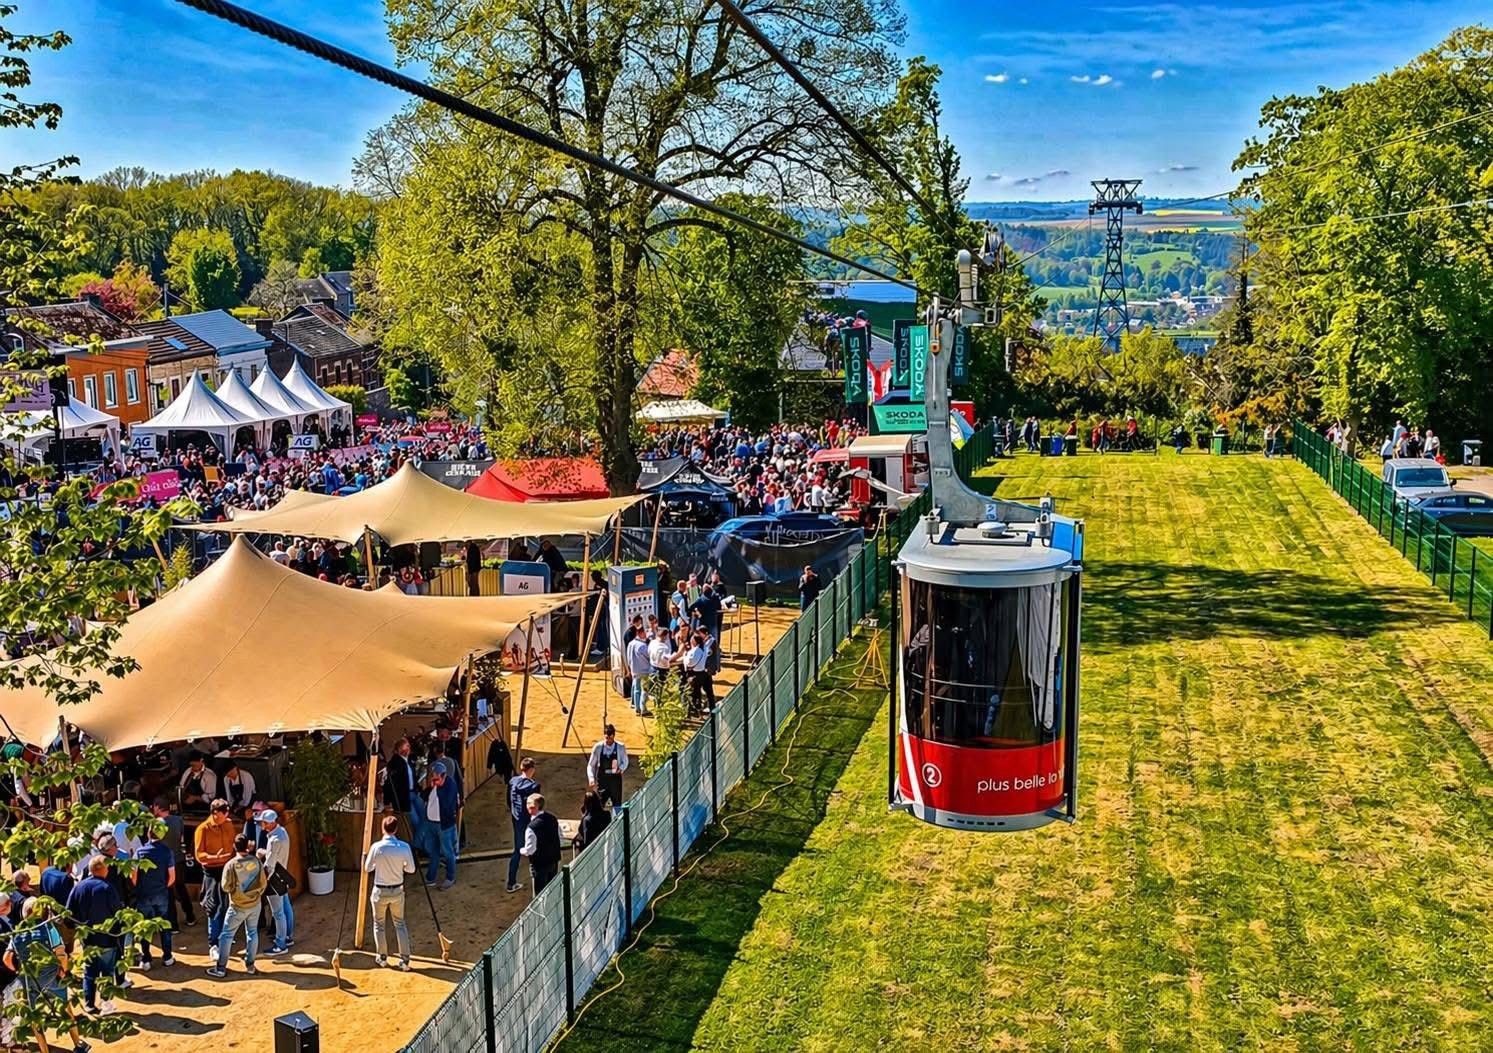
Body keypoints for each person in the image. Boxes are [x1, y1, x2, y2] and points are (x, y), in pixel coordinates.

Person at [6, 898, 90, 1052]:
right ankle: (78, 1044)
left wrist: (19, 971)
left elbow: (7, 958)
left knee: (35, 1017)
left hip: (31, 981)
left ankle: (45, 1050)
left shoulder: (18, 932)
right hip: (52, 978)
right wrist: (63, 972)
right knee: (65, 1009)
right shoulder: (49, 928)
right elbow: (62, 955)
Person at [65, 856, 122, 1015]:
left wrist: (77, 928)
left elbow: (68, 914)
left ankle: (89, 1004)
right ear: (104, 870)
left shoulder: (79, 887)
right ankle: (106, 1003)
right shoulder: (107, 888)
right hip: (107, 938)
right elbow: (118, 914)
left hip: (87, 939)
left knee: (89, 972)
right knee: (107, 972)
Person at [363, 814, 416, 971]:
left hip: (380, 891)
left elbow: (367, 868)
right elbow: (411, 869)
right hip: (397, 890)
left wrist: (372, 861)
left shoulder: (376, 847)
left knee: (379, 924)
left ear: (383, 829)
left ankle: (382, 957)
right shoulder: (404, 847)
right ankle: (405, 960)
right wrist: (401, 867)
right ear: (396, 829)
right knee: (400, 924)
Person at [209, 835, 265, 977]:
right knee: (252, 933)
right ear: (248, 846)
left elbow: (225, 887)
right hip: (255, 904)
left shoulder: (230, 865)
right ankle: (250, 965)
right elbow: (263, 883)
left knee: (226, 936)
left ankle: (220, 968)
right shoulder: (256, 861)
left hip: (237, 907)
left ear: (234, 847)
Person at [194, 798, 237, 954]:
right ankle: (213, 943)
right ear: (215, 813)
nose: (227, 816)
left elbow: (233, 845)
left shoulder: (228, 824)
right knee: (213, 906)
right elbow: (199, 855)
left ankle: (225, 935)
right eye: (224, 813)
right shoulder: (202, 829)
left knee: (228, 905)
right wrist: (215, 858)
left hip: (228, 869)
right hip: (212, 872)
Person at [132, 825, 176, 969]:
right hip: (161, 894)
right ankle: (167, 957)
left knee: (144, 927)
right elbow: (172, 876)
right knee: (164, 926)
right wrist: (163, 887)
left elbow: (134, 876)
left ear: (148, 834)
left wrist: (140, 887)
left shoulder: (140, 852)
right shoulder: (167, 852)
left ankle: (146, 959)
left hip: (144, 895)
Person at [149, 797, 195, 926]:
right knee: (181, 887)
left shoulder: (156, 823)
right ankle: (190, 916)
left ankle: (173, 924)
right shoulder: (178, 820)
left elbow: (152, 841)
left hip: (163, 862)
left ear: (158, 807)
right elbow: (181, 838)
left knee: (168, 892)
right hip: (178, 859)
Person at [257, 808, 292, 954]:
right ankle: (287, 937)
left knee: (278, 913)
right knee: (286, 907)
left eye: (264, 823)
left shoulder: (274, 840)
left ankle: (280, 944)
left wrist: (263, 880)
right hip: (282, 875)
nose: (262, 825)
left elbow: (269, 865)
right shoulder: (282, 832)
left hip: (274, 879)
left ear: (271, 823)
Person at [421, 761, 461, 891]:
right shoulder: (435, 785)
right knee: (433, 851)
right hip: (431, 823)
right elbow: (424, 796)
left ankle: (450, 878)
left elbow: (448, 805)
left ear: (443, 776)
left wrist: (438, 788)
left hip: (444, 825)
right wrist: (431, 787)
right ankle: (431, 877)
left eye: (436, 779)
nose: (434, 781)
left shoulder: (450, 786)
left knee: (448, 853)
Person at [506, 758, 540, 894]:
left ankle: (511, 882)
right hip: (529, 821)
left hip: (516, 819)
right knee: (534, 848)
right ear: (531, 769)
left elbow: (508, 800)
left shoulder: (513, 781)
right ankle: (537, 880)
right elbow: (536, 806)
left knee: (518, 849)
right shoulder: (534, 786)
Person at [518, 793, 562, 894]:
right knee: (552, 890)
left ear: (533, 808)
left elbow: (530, 850)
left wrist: (521, 850)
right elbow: (560, 837)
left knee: (539, 895)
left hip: (539, 865)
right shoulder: (552, 818)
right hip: (553, 861)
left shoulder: (531, 828)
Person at [586, 725, 629, 810]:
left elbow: (625, 761)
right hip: (602, 781)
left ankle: (617, 817)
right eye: (606, 738)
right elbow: (591, 765)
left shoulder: (620, 747)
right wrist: (591, 778)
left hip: (615, 781)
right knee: (598, 805)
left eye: (610, 738)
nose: (608, 740)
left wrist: (621, 768)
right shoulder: (598, 747)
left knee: (617, 805)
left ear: (613, 736)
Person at [685, 631, 716, 714]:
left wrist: (685, 655)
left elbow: (689, 663)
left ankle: (697, 710)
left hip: (696, 675)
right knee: (709, 692)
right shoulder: (704, 648)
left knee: (696, 693)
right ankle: (712, 708)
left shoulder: (694, 651)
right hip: (705, 674)